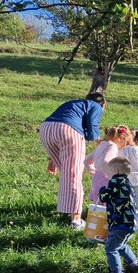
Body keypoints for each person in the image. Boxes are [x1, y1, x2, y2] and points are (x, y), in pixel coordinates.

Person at [39, 93, 106, 230]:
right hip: (69, 132)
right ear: (103, 104)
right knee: (74, 176)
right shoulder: (96, 106)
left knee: (66, 175)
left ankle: (66, 209)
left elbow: (60, 121)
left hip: (46, 129)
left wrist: (53, 158)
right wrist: (101, 145)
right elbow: (93, 125)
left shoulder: (75, 104)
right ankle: (76, 220)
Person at [98, 157, 138, 273]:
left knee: (111, 248)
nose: (107, 175)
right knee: (121, 245)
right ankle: (135, 267)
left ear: (116, 170)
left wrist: (102, 189)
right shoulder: (126, 182)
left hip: (120, 223)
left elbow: (104, 197)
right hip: (130, 223)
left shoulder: (115, 180)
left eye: (108, 172)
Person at [84, 125, 132, 205]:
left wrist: (94, 172)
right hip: (105, 178)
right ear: (120, 138)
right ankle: (105, 217)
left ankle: (95, 216)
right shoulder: (112, 146)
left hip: (96, 177)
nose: (125, 145)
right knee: (106, 202)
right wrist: (112, 176)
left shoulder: (101, 145)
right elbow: (107, 161)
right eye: (125, 142)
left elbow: (86, 161)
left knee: (97, 201)